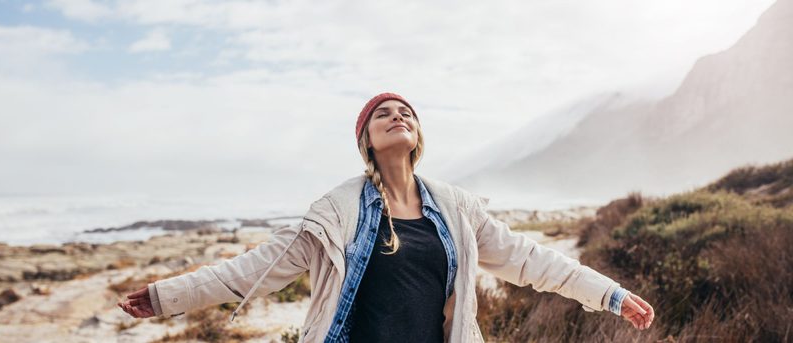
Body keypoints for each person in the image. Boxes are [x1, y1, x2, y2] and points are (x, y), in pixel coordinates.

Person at [117, 92, 655, 342]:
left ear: (417, 135)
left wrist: (608, 294)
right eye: (382, 114)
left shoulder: (456, 208)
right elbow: (253, 270)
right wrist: (168, 296)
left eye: (406, 113)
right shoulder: (335, 212)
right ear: (366, 140)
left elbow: (533, 261)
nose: (397, 116)